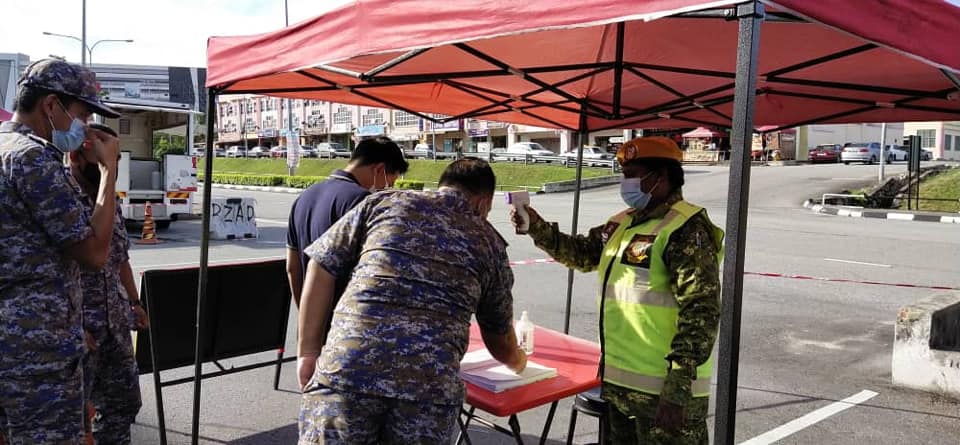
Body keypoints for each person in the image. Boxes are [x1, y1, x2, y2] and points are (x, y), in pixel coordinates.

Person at [297, 158, 526, 444]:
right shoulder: (489, 241)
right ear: (483, 204)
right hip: (427, 392)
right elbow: (500, 340)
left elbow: (321, 263)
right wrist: (519, 360)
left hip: (346, 371)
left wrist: (308, 351)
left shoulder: (384, 203)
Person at [512, 137, 723, 445]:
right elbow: (583, 254)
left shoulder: (686, 229)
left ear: (660, 177)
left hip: (665, 395)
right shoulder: (622, 223)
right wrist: (536, 226)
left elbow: (701, 311)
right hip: (619, 388)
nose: (626, 183)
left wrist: (678, 386)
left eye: (632, 175)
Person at [0, 59, 121, 444]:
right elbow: (94, 253)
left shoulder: (4, 147)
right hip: (37, 355)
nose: (85, 125)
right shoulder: (32, 158)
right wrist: (109, 171)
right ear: (51, 105)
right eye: (82, 114)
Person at [69, 123, 148, 445]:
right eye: (103, 160)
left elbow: (120, 258)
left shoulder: (109, 198)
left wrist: (135, 302)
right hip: (80, 329)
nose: (109, 167)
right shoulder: (61, 200)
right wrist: (72, 325)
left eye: (114, 160)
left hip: (115, 323)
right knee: (74, 418)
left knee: (123, 405)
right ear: (75, 157)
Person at [286, 136, 408, 308]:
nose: (386, 189)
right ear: (379, 170)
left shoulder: (303, 198)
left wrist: (306, 314)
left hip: (314, 314)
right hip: (348, 315)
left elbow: (292, 268)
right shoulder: (364, 202)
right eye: (389, 183)